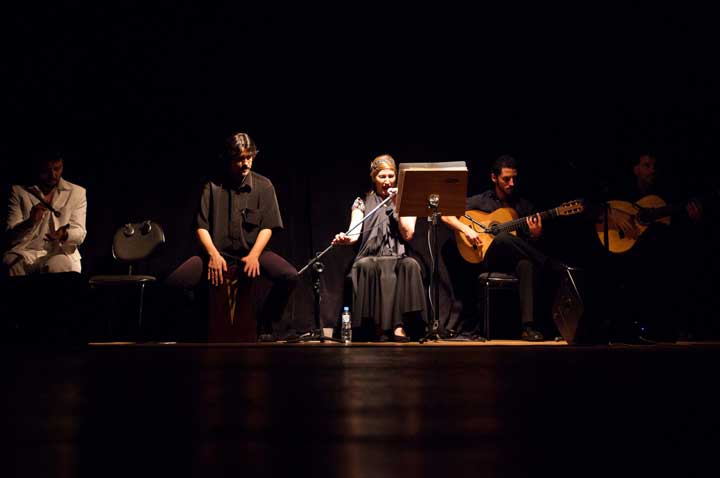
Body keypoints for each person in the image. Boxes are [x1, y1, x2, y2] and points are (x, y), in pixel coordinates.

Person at [441, 155, 567, 341]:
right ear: (494, 178)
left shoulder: (523, 206)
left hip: (512, 260)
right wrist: (466, 229)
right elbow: (446, 214)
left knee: (525, 263)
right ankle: (549, 264)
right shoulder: (481, 201)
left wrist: (535, 234)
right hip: (485, 258)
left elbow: (527, 245)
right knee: (501, 238)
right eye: (506, 179)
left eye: (514, 178)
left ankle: (527, 327)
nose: (511, 183)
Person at [195, 132, 298, 342]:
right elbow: (201, 226)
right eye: (240, 158)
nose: (246, 163)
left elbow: (268, 226)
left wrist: (254, 255)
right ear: (229, 158)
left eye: (249, 157)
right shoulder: (213, 186)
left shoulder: (264, 185)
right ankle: (197, 327)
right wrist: (213, 255)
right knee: (176, 282)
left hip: (252, 251)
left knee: (289, 276)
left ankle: (265, 324)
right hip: (218, 252)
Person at [599, 153, 705, 342]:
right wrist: (613, 214)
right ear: (636, 170)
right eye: (647, 166)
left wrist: (694, 221)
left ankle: (662, 326)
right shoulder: (622, 191)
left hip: (651, 258)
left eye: (654, 166)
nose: (652, 170)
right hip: (624, 252)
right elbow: (596, 207)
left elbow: (675, 232)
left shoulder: (664, 196)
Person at [332, 154, 427, 342]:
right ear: (374, 178)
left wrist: (396, 204)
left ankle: (401, 326)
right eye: (382, 176)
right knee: (366, 265)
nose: (387, 181)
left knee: (411, 265)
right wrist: (344, 238)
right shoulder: (361, 201)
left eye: (391, 176)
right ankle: (374, 326)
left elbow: (407, 234)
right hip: (370, 255)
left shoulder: (407, 201)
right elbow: (354, 233)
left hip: (397, 256)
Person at [3, 152, 87, 276]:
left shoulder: (77, 192)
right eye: (45, 171)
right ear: (36, 168)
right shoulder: (19, 191)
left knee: (59, 265)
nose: (53, 175)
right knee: (10, 263)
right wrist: (30, 222)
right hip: (26, 252)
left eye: (57, 169)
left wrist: (64, 234)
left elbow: (80, 232)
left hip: (59, 252)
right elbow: (10, 237)